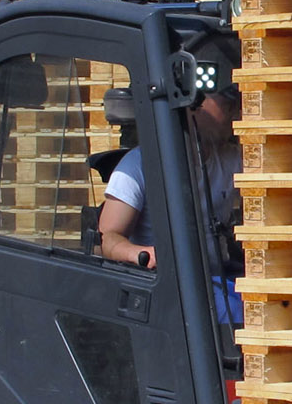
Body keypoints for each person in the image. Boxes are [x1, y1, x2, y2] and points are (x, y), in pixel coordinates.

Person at [98, 83, 242, 287]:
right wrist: (142, 254)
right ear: (192, 104)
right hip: (169, 287)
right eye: (229, 104)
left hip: (219, 281)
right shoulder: (139, 165)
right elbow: (107, 237)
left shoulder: (232, 159)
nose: (238, 112)